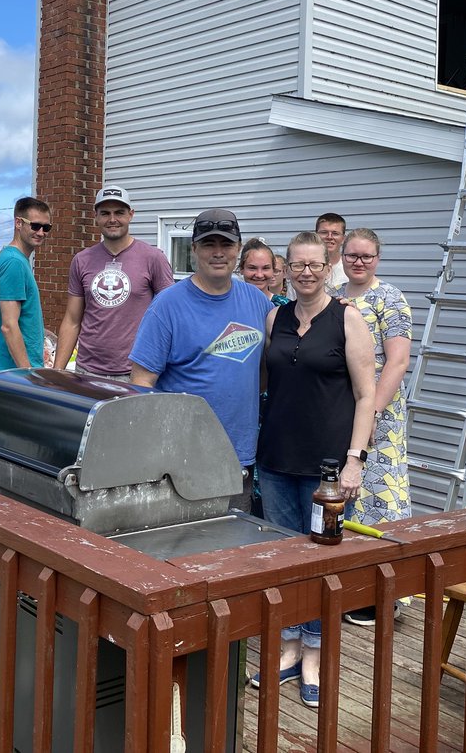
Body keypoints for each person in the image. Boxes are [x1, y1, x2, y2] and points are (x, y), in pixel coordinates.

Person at [254, 231, 375, 708]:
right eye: (297, 265)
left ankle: (315, 654)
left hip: (328, 469)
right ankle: (287, 645)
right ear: (286, 268)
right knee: (285, 557)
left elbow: (367, 396)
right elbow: (268, 383)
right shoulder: (274, 318)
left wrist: (355, 460)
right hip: (278, 459)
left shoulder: (349, 320)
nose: (306, 272)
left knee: (323, 562)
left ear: (330, 269)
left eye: (315, 265)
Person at [130, 209, 274, 510]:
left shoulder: (257, 301)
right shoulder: (167, 306)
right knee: (185, 547)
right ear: (194, 249)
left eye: (226, 244)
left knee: (233, 545)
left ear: (238, 249)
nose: (218, 253)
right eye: (209, 244)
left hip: (238, 456)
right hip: (183, 461)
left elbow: (267, 367)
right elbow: (141, 385)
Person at [333, 227, 414, 626]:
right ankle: (351, 586)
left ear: (377, 259)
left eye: (366, 256)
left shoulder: (391, 299)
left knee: (378, 501)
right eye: (352, 256)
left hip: (380, 418)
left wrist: (375, 412)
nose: (359, 262)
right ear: (341, 257)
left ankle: (383, 595)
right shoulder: (336, 297)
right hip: (344, 413)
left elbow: (397, 361)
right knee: (346, 499)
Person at [53, 187, 174, 379]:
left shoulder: (153, 258)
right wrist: (58, 371)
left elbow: (170, 315)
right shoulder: (81, 260)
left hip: (135, 372)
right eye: (105, 213)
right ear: (96, 217)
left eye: (119, 213)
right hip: (87, 372)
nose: (112, 219)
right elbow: (72, 319)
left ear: (131, 215)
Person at [0, 197, 51, 371]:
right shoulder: (14, 263)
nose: (41, 232)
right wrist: (28, 374)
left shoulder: (18, 260)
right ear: (18, 223)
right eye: (35, 225)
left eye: (46, 227)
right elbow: (9, 326)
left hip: (14, 371)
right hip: (13, 374)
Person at [238, 239, 287, 306]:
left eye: (265, 268)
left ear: (273, 270)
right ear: (241, 268)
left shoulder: (284, 306)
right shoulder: (231, 303)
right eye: (252, 268)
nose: (259, 275)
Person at [315, 213, 347, 292]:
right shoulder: (305, 268)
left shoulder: (349, 269)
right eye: (324, 232)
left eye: (335, 233)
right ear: (315, 236)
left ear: (343, 238)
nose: (329, 237)